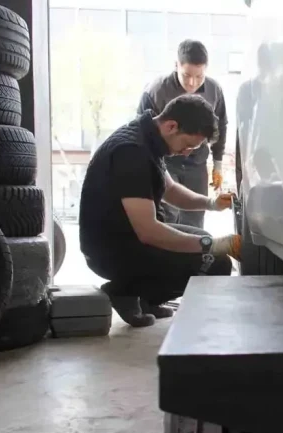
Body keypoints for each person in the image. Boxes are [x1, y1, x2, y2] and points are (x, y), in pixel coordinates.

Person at [79, 95, 242, 327]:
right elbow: (149, 232)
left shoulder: (146, 138)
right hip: (111, 251)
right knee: (217, 263)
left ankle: (147, 299)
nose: (187, 153)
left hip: (126, 238)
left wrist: (211, 203)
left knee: (204, 245)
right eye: (187, 145)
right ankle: (124, 290)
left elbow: (171, 190)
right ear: (171, 126)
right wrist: (212, 244)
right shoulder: (132, 152)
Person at [137, 39, 228, 228]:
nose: (192, 83)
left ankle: (193, 254)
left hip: (197, 162)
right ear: (176, 65)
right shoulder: (156, 91)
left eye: (199, 76)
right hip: (165, 160)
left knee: (195, 217)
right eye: (186, 75)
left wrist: (217, 164)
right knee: (168, 214)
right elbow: (142, 131)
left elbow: (221, 125)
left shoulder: (215, 91)